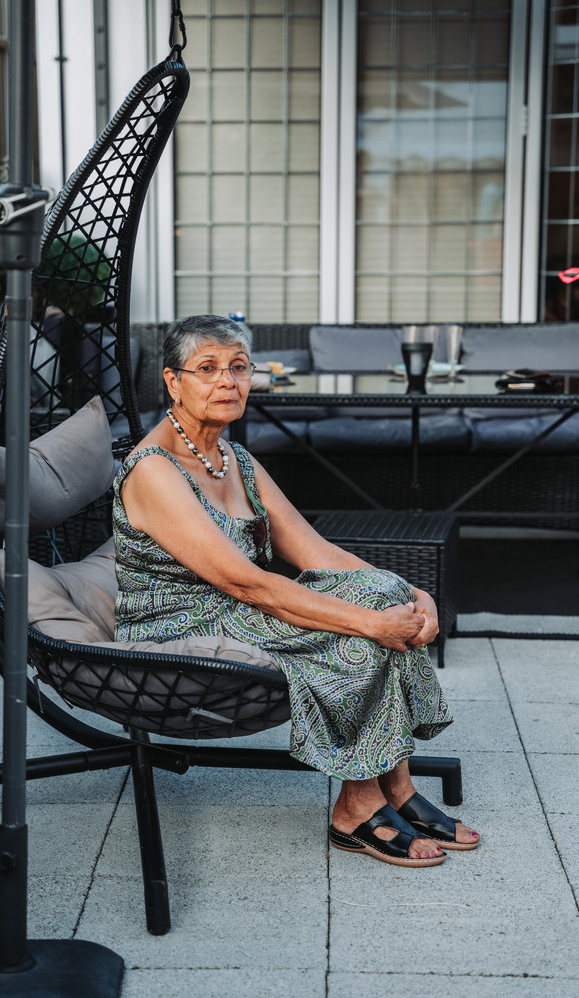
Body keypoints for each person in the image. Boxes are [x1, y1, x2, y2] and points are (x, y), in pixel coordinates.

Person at [113, 314, 480, 868]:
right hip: (183, 620)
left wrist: (411, 593)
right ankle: (357, 808)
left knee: (380, 593)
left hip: (238, 604)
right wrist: (371, 622)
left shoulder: (235, 459)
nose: (227, 381)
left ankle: (396, 789)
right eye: (207, 368)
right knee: (362, 632)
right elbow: (246, 582)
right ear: (173, 381)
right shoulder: (154, 469)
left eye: (238, 367)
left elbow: (316, 552)